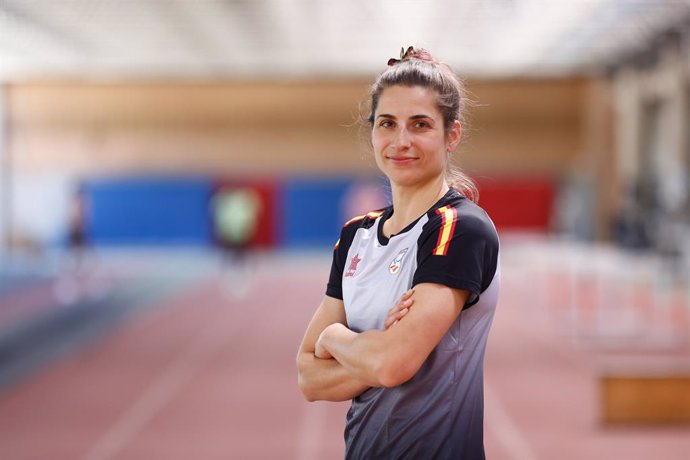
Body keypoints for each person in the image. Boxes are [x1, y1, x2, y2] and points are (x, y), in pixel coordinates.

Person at [296, 46, 500, 459]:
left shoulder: (458, 229)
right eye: (387, 123)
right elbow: (308, 377)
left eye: (420, 124)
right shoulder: (356, 235)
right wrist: (378, 350)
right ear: (372, 131)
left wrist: (336, 338)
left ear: (452, 134)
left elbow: (393, 365)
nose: (401, 141)